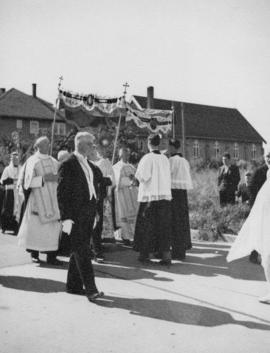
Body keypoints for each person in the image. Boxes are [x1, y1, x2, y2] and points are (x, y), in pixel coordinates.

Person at [57, 132, 104, 302]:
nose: (93, 147)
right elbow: (61, 193)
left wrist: (96, 212)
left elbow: (93, 189)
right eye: (91, 144)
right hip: (75, 216)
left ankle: (73, 286)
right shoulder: (68, 164)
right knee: (83, 251)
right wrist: (66, 218)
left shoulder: (90, 165)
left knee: (78, 249)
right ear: (81, 144)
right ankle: (91, 289)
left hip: (88, 214)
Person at [227, 147, 270, 304]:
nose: (269, 158)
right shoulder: (266, 173)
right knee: (267, 256)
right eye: (267, 155)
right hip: (265, 220)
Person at [17, 136, 62, 265]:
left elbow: (60, 178)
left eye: (48, 143)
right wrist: (44, 179)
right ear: (38, 147)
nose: (49, 145)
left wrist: (58, 179)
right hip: (37, 201)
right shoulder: (32, 161)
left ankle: (52, 256)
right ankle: (34, 254)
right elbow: (27, 182)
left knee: (52, 229)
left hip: (53, 201)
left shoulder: (54, 161)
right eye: (46, 144)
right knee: (36, 228)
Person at [134, 134, 172, 265]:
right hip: (164, 197)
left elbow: (143, 177)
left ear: (148, 143)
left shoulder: (147, 158)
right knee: (163, 226)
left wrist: (135, 176)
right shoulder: (165, 159)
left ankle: (145, 254)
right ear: (159, 143)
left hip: (150, 197)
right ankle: (166, 255)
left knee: (147, 227)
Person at [168, 139, 193, 260]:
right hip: (183, 194)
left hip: (173, 193)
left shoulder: (171, 161)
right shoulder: (184, 161)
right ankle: (181, 250)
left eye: (169, 147)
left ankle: (175, 250)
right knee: (182, 221)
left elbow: (166, 176)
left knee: (174, 222)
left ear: (173, 147)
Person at [92, 144, 115, 258]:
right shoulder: (89, 164)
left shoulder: (102, 163)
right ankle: (94, 248)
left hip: (99, 196)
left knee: (98, 223)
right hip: (90, 198)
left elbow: (108, 180)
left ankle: (96, 247)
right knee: (94, 224)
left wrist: (107, 181)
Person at [248, 148, 270, 264]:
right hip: (260, 207)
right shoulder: (259, 171)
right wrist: (255, 206)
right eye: (268, 157)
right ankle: (254, 255)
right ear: (264, 158)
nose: (269, 159)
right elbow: (251, 188)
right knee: (258, 231)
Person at [113, 146, 138, 245]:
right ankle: (125, 236)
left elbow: (136, 181)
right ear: (120, 154)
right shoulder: (116, 167)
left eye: (127, 153)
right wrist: (129, 181)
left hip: (131, 194)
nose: (126, 155)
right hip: (122, 194)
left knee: (132, 215)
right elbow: (116, 181)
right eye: (124, 153)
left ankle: (132, 235)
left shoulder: (132, 167)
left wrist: (133, 181)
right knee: (123, 214)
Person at [0, 152, 19, 234]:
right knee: (7, 210)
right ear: (11, 159)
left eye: (17, 159)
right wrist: (12, 180)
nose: (15, 161)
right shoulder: (7, 169)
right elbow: (2, 181)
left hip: (18, 192)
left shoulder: (21, 168)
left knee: (17, 210)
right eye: (14, 159)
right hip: (9, 192)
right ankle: (4, 227)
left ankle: (15, 228)